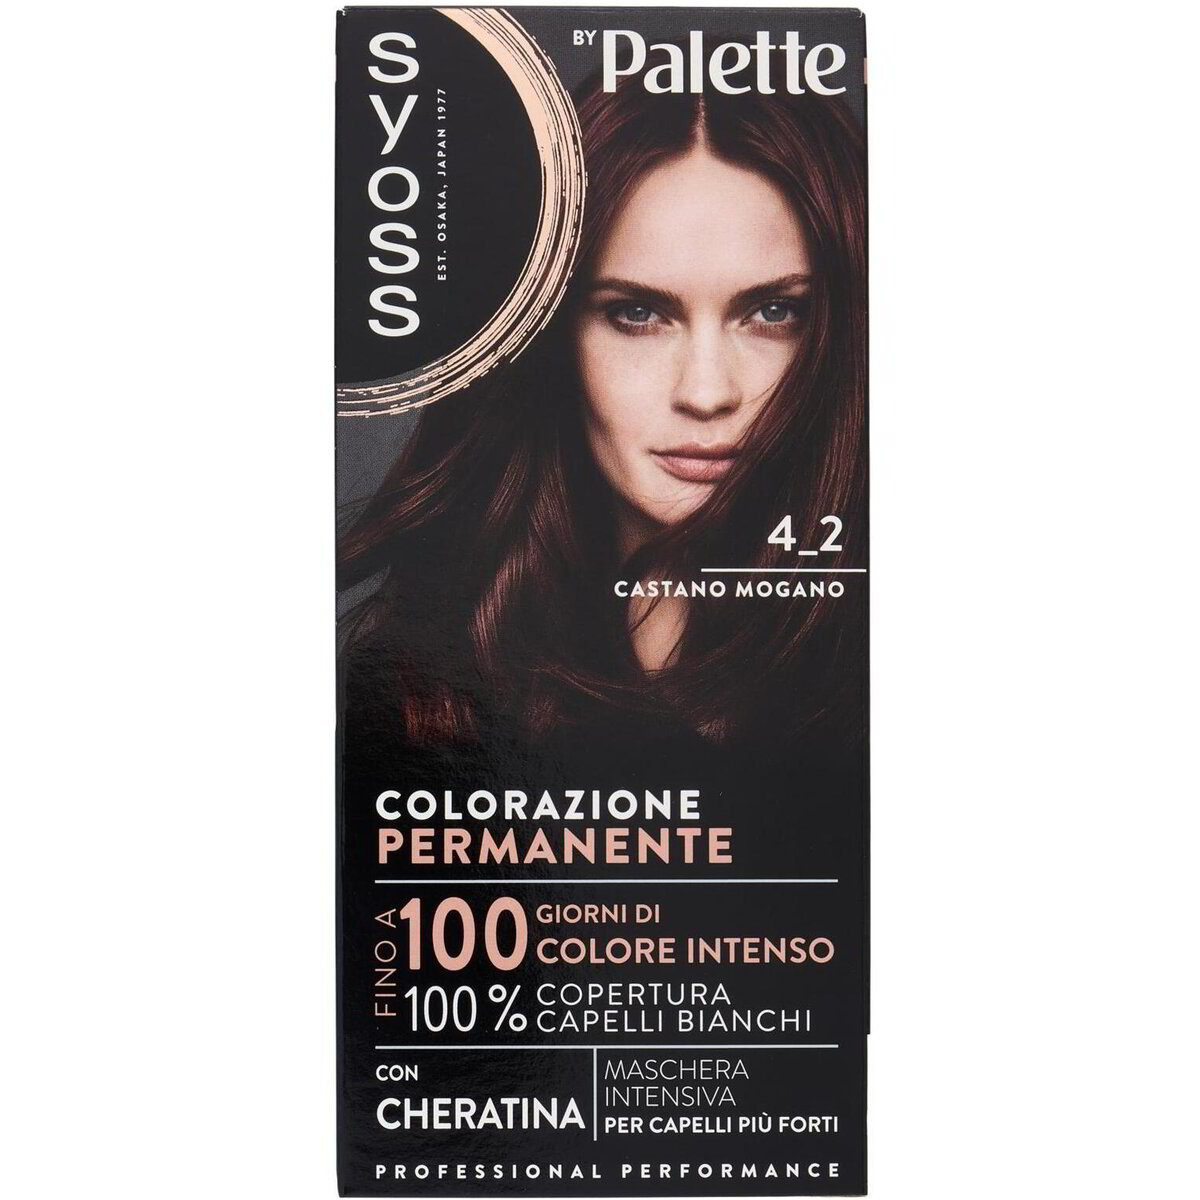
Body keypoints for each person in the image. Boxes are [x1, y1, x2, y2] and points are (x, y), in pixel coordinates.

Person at [338, 61, 866, 757]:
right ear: (549, 336)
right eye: (636, 313)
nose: (706, 393)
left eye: (773, 312)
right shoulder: (423, 695)